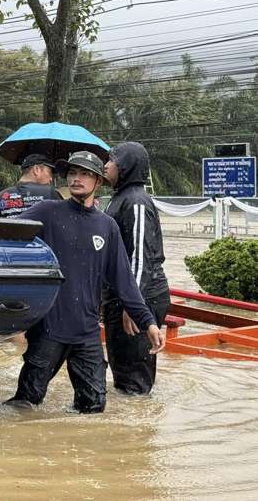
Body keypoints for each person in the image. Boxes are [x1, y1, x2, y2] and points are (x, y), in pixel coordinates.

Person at [8, 150, 165, 413]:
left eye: (84, 174)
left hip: (87, 334)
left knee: (93, 409)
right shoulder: (47, 211)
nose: (76, 179)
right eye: (72, 173)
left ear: (98, 182)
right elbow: (8, 234)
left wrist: (148, 322)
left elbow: (124, 281)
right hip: (49, 330)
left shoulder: (107, 226)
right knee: (25, 403)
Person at [103, 141, 171, 395]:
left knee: (134, 380)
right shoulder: (119, 198)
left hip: (141, 297)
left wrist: (134, 305)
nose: (106, 165)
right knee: (122, 369)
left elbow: (141, 256)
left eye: (111, 160)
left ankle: (139, 431)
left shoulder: (136, 201)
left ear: (126, 165)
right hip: (123, 296)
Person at [0, 154, 64, 217]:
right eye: (50, 173)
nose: (51, 179)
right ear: (36, 169)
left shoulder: (1, 196)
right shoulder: (49, 192)